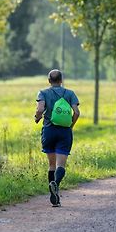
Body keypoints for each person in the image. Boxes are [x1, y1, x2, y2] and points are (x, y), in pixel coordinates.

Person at [34, 69, 80, 207]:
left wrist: (37, 118)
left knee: (51, 165)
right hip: (64, 132)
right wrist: (70, 125)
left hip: (49, 130)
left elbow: (40, 109)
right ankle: (56, 185)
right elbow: (77, 112)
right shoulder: (70, 93)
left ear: (49, 81)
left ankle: (53, 194)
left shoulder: (43, 93)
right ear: (61, 80)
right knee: (61, 165)